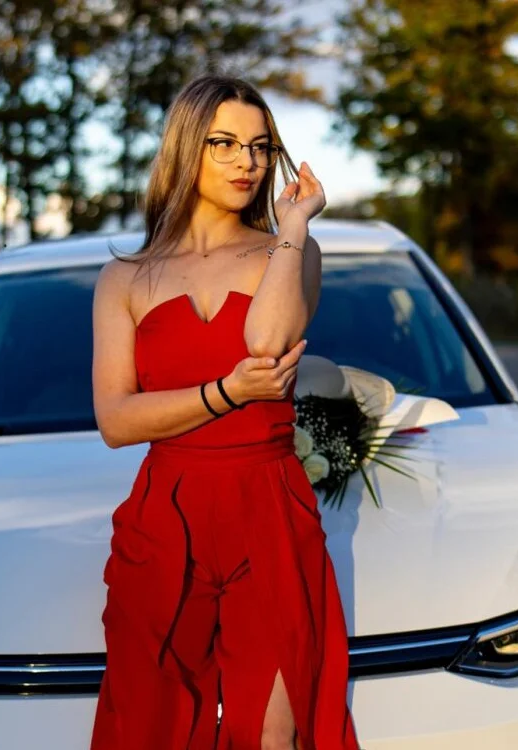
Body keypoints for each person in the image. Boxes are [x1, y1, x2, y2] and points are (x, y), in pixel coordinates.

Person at [90, 73, 359, 750]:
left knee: (272, 733)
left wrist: (293, 225)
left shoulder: (290, 249)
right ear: (186, 148)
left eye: (262, 147)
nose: (248, 162)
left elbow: (268, 343)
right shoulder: (124, 278)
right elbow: (116, 420)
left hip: (269, 509)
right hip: (165, 518)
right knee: (149, 730)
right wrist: (226, 394)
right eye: (226, 144)